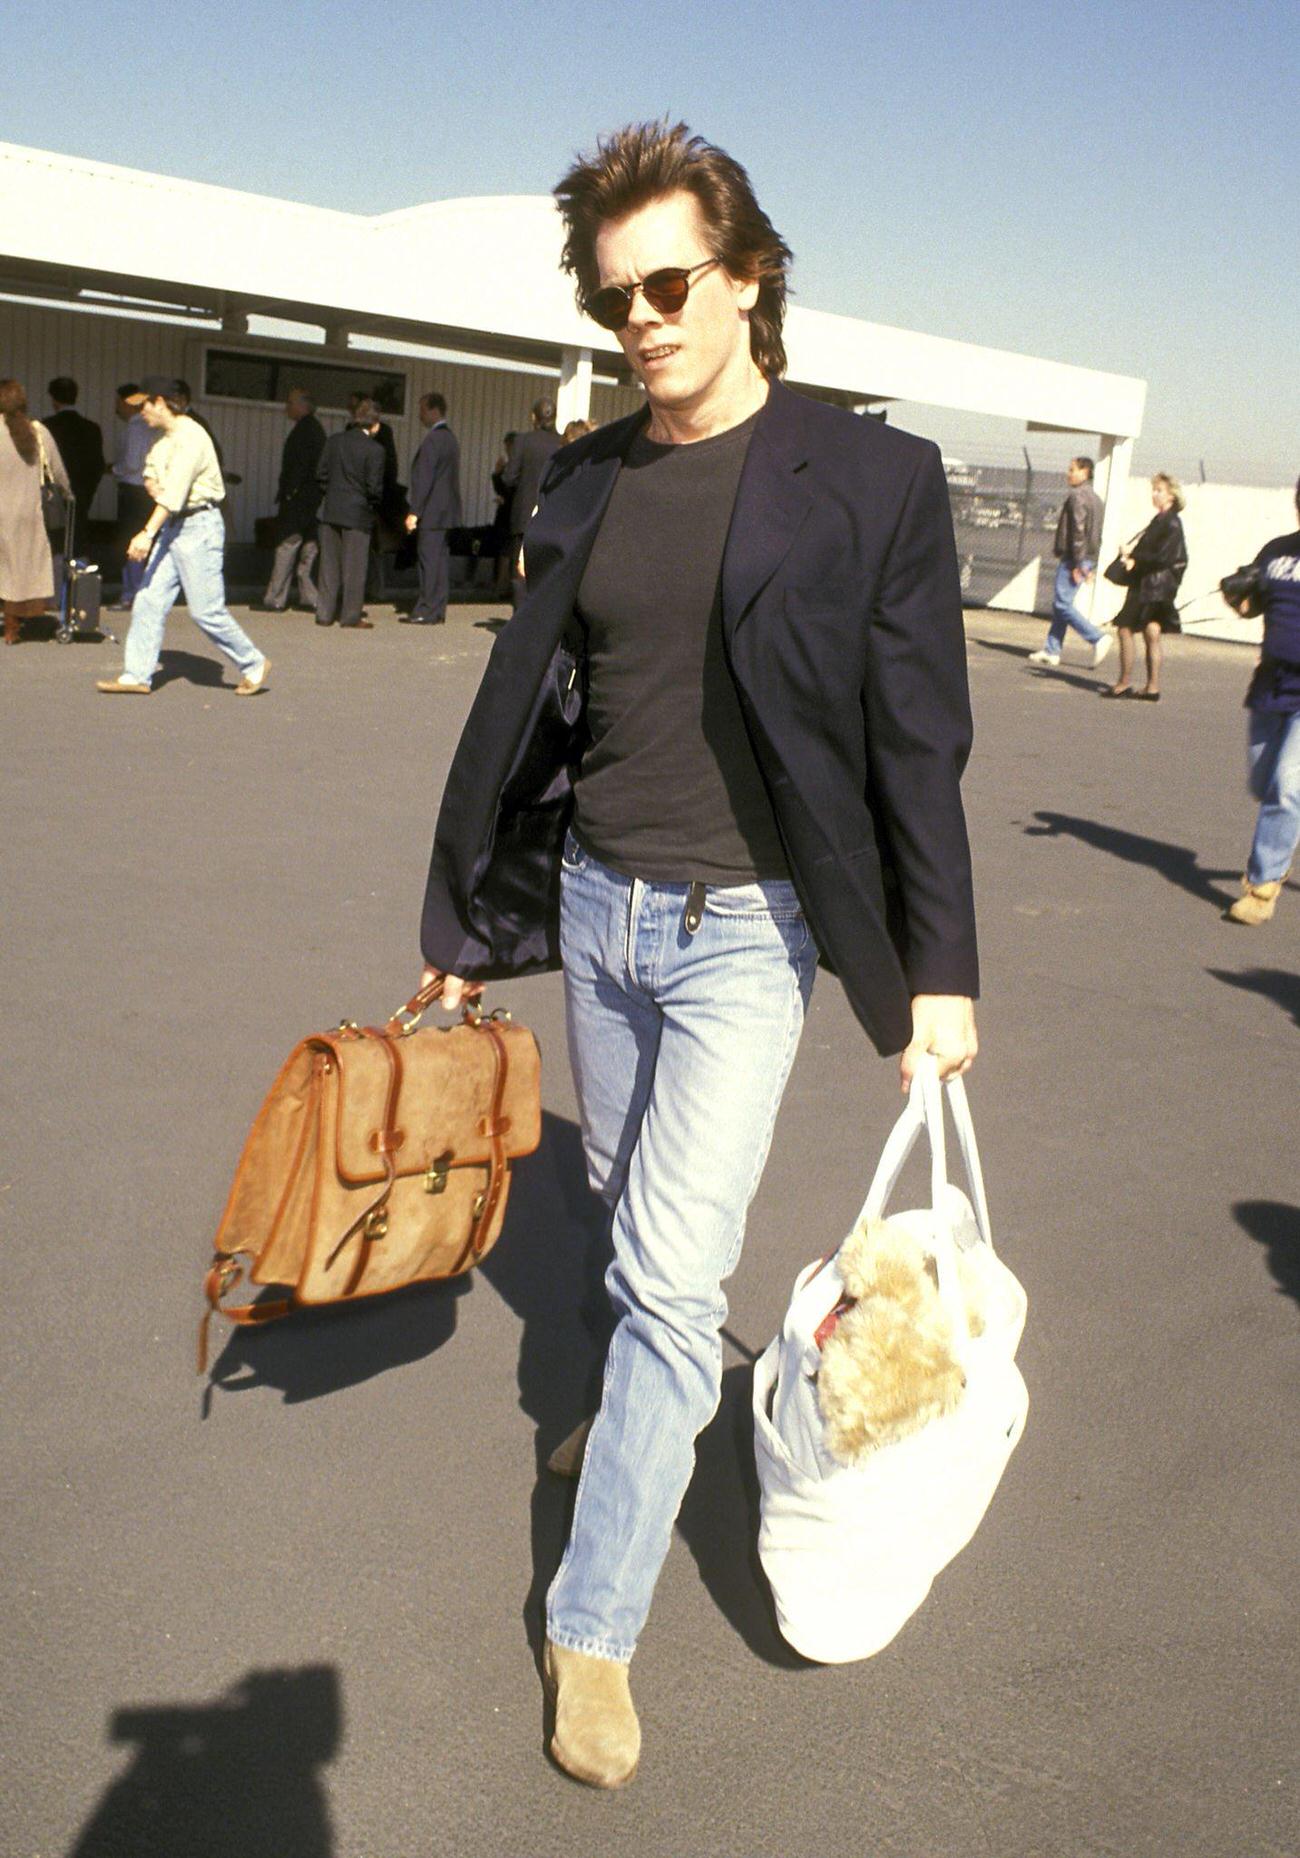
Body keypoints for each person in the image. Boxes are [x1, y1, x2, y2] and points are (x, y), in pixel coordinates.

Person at [416, 120, 979, 1788]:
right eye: (616, 299)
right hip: (600, 907)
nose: (643, 319)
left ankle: (593, 1619)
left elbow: (913, 743)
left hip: (752, 929)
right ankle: (634, 1419)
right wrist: (468, 927)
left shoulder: (872, 479)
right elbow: (542, 713)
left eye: (671, 283)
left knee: (673, 1273)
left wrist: (937, 971)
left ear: (746, 278)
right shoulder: (582, 474)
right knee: (614, 1213)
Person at [95, 377, 269, 696]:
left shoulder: (190, 436)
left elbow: (173, 495)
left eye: (143, 405)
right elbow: (149, 473)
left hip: (198, 527)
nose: (139, 412)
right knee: (148, 599)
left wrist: (146, 533)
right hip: (175, 526)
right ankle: (137, 674)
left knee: (205, 610)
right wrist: (151, 484)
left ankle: (253, 663)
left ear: (160, 402)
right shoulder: (163, 439)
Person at [1223, 475, 1300, 925]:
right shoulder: (1276, 551)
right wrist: (1238, 597)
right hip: (1270, 687)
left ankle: (1262, 884)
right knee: (1264, 784)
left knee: (1287, 790)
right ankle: (1285, 826)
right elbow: (1252, 606)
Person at [1103, 473, 1188, 701]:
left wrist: (1134, 560)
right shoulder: (1163, 520)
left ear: (1171, 495)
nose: (1154, 494)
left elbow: (1163, 557)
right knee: (1152, 632)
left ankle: (1123, 683)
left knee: (1125, 628)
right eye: (1154, 489)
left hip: (1151, 586)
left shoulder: (1169, 522)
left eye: (1159, 490)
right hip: (1158, 586)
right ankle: (1152, 687)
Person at [0, 378, 70, 645]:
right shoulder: (38, 431)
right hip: (28, 515)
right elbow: (59, 471)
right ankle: (12, 627)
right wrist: (68, 492)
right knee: (20, 571)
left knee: (4, 568)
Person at [1027, 455, 1111, 669]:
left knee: (1062, 604)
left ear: (1085, 472)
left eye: (1073, 469)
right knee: (1060, 604)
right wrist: (1089, 563)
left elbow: (1078, 532)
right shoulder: (1095, 498)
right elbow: (1097, 534)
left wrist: (1077, 563)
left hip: (1074, 558)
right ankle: (1052, 649)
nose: (1069, 473)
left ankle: (1097, 638)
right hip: (1086, 558)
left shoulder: (1077, 497)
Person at [315, 399, 385, 628]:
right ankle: (350, 615)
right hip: (357, 514)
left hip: (332, 509)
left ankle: (324, 613)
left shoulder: (334, 442)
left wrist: (333, 493)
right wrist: (370, 505)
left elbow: (321, 474)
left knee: (329, 567)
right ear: (375, 424)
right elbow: (375, 488)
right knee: (354, 569)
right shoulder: (375, 450)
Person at [254, 389, 325, 612]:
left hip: (298, 500)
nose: (287, 407)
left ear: (303, 405)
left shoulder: (305, 431)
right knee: (309, 546)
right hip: (309, 500)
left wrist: (290, 493)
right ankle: (310, 596)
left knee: (287, 544)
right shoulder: (314, 429)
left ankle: (275, 598)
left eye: (290, 402)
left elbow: (301, 466)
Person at [402, 392, 462, 625]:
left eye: (423, 409)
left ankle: (426, 609)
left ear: (434, 410)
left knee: (428, 561)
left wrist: (414, 512)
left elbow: (424, 479)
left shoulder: (433, 440)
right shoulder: (450, 439)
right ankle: (437, 608)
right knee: (439, 562)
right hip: (446, 513)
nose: (420, 414)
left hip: (432, 513)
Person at [501, 396, 562, 608]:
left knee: (520, 572)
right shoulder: (562, 443)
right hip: (554, 516)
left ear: (533, 417)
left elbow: (509, 477)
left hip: (523, 514)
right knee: (547, 573)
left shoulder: (523, 441)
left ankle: (521, 622)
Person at [43, 376, 104, 558]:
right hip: (82, 492)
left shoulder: (46, 427)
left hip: (53, 494)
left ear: (53, 399)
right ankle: (79, 580)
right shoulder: (92, 428)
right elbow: (97, 465)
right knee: (78, 538)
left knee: (54, 540)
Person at [111, 382, 156, 608]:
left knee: (130, 543)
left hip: (133, 491)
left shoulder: (135, 427)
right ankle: (140, 591)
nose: (116, 407)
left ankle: (131, 594)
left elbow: (131, 463)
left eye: (118, 402)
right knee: (144, 541)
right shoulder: (150, 427)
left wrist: (113, 469)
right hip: (148, 492)